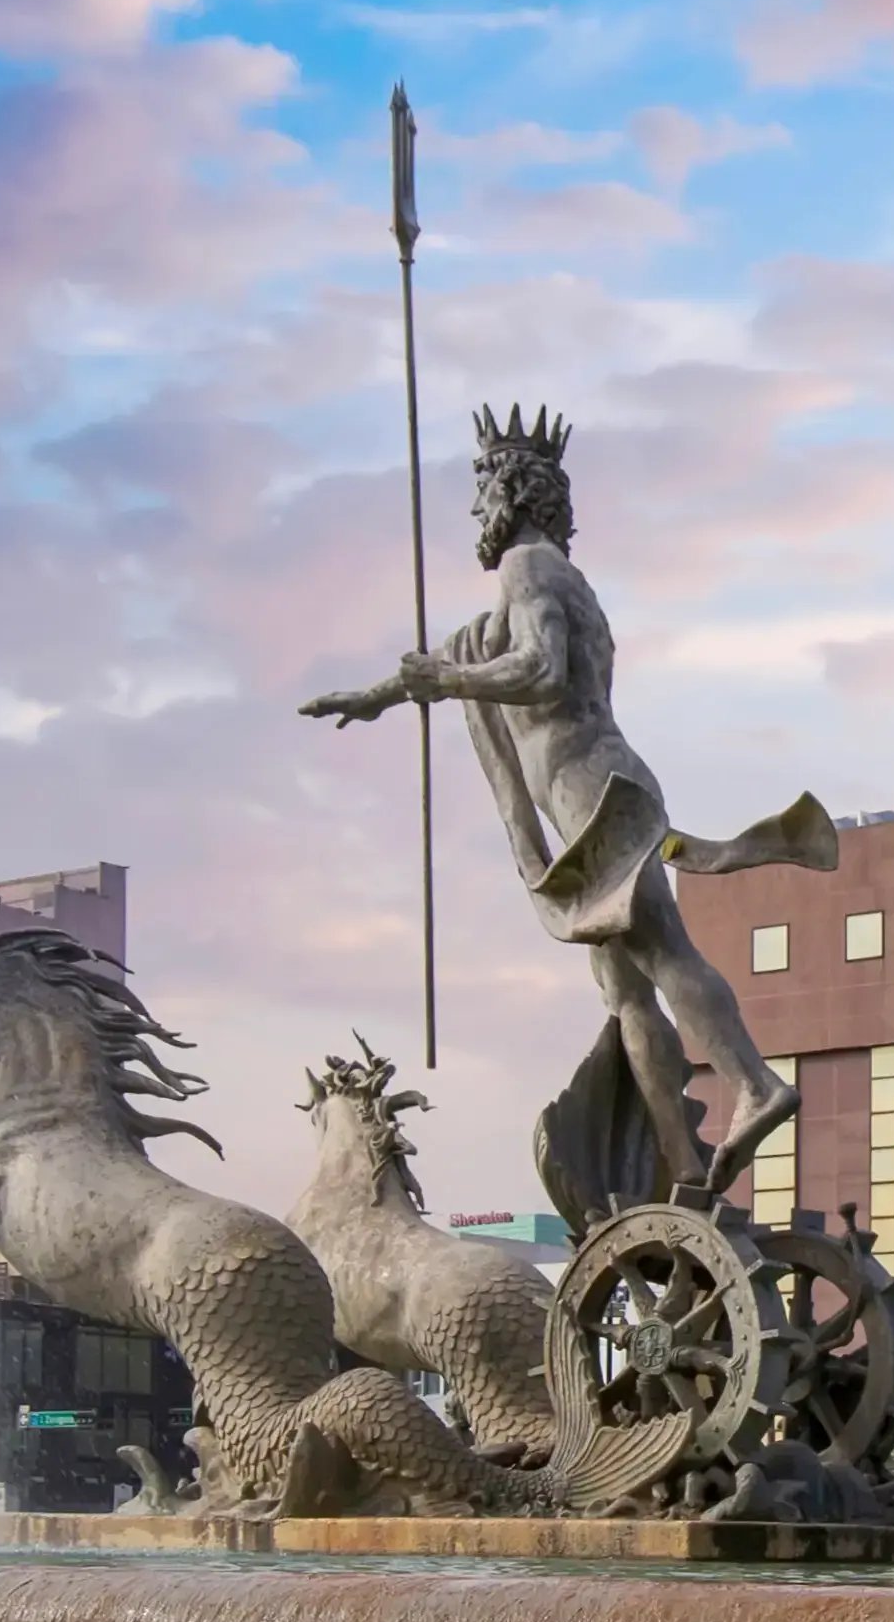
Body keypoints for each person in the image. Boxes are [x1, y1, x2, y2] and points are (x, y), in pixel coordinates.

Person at [302, 405, 828, 1198]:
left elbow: (539, 669)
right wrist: (377, 696)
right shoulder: (545, 582)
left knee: (663, 952)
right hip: (597, 789)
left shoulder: (529, 569)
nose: (475, 510)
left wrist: (445, 681)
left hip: (593, 788)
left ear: (513, 493)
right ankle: (684, 1170)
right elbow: (458, 657)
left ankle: (754, 1085)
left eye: (482, 491)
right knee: (624, 993)